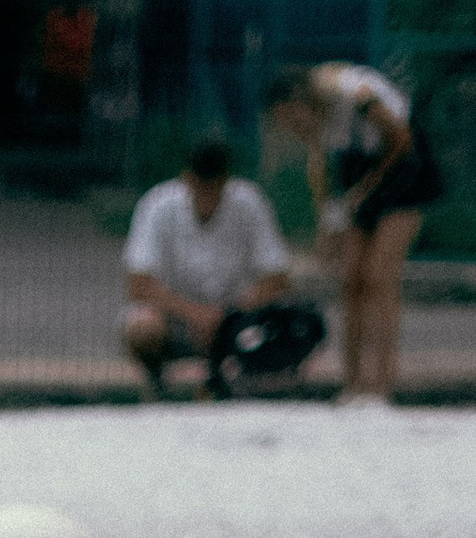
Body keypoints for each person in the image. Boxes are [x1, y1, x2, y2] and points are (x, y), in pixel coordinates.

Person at [269, 61, 445, 402]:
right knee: (351, 278)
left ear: (300, 103)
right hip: (362, 168)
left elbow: (402, 139)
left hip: (404, 165)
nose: (291, 128)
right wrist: (328, 226)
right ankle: (353, 383)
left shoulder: (355, 95)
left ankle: (383, 383)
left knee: (379, 274)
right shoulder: (318, 117)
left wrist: (367, 188)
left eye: (291, 118)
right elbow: (320, 170)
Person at [122, 136, 298, 396]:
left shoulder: (249, 202)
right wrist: (196, 315)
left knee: (292, 322)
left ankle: (247, 381)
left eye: (214, 188)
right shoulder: (157, 205)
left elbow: (278, 278)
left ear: (226, 181)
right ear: (186, 179)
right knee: (142, 328)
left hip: (234, 316)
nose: (207, 196)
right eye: (200, 187)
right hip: (177, 317)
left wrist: (226, 315)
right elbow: (139, 286)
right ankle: (157, 385)